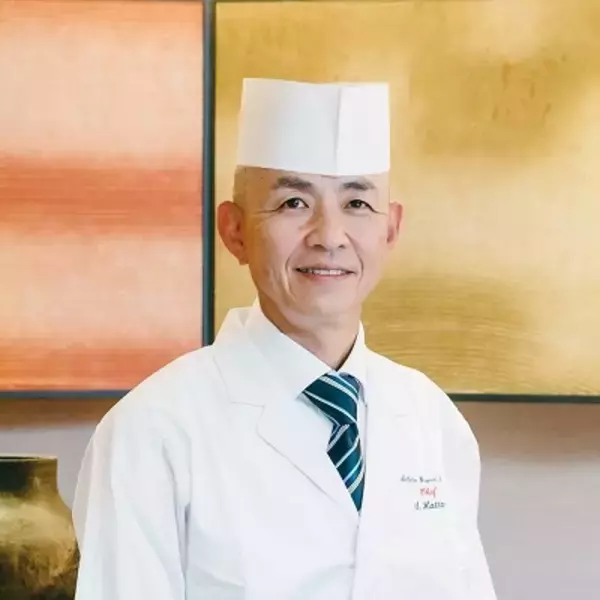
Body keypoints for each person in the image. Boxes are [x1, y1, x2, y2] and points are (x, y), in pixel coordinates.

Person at [72, 78, 497, 600]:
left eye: (357, 204)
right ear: (234, 231)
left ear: (390, 229)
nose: (330, 236)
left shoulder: (433, 420)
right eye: (293, 203)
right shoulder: (152, 431)